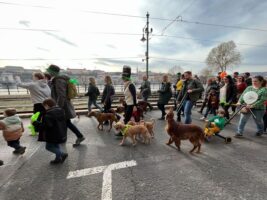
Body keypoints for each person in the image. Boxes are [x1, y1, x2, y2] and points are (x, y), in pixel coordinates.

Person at [46, 64, 85, 146]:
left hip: (62, 105)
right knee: (65, 122)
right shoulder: (60, 78)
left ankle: (79, 136)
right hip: (64, 104)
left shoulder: (59, 80)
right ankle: (66, 138)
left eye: (48, 71)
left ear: (52, 72)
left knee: (66, 122)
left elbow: (61, 95)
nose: (47, 72)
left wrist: (57, 108)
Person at [34, 98, 68, 164]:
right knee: (56, 146)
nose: (44, 108)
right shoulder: (60, 110)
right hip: (60, 132)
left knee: (49, 147)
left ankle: (62, 154)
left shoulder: (49, 114)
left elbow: (46, 126)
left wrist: (36, 123)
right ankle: (58, 159)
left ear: (46, 105)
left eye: (44, 106)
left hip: (52, 134)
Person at [115, 66, 137, 136]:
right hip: (128, 103)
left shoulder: (131, 85)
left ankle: (122, 132)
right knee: (127, 118)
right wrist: (124, 99)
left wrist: (135, 106)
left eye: (123, 78)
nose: (122, 80)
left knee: (126, 118)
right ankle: (130, 130)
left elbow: (134, 96)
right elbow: (128, 95)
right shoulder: (126, 84)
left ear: (125, 78)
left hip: (131, 104)